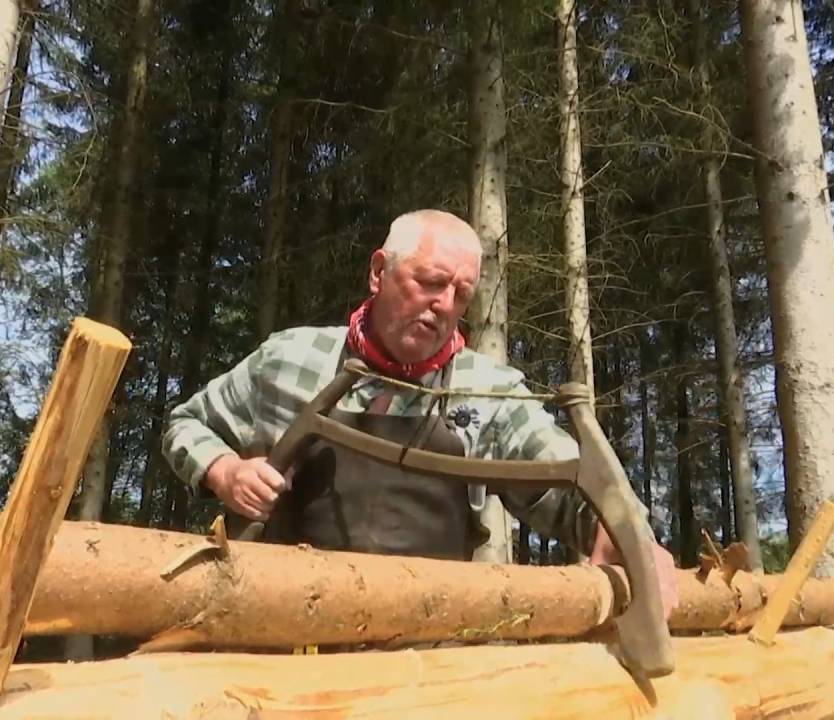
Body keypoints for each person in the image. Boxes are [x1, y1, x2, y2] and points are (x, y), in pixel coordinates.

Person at [163, 209, 677, 613]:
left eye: (461, 294)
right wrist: (224, 471)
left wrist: (626, 533)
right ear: (378, 271)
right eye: (430, 281)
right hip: (278, 638)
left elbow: (573, 484)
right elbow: (185, 422)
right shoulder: (289, 359)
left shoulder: (488, 392)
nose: (444, 304)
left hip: (431, 651)